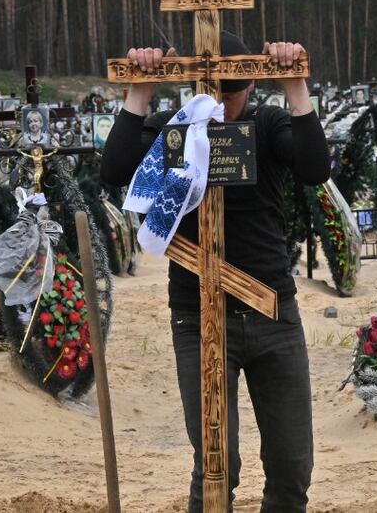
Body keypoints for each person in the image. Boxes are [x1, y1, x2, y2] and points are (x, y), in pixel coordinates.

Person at [100, 31, 329, 513]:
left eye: (232, 92)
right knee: (216, 466)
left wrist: (294, 86)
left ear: (249, 87)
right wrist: (139, 89)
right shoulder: (174, 130)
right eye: (213, 92)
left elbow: (314, 168)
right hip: (198, 315)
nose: (222, 103)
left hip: (271, 311)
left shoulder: (267, 125)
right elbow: (115, 171)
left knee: (292, 466)